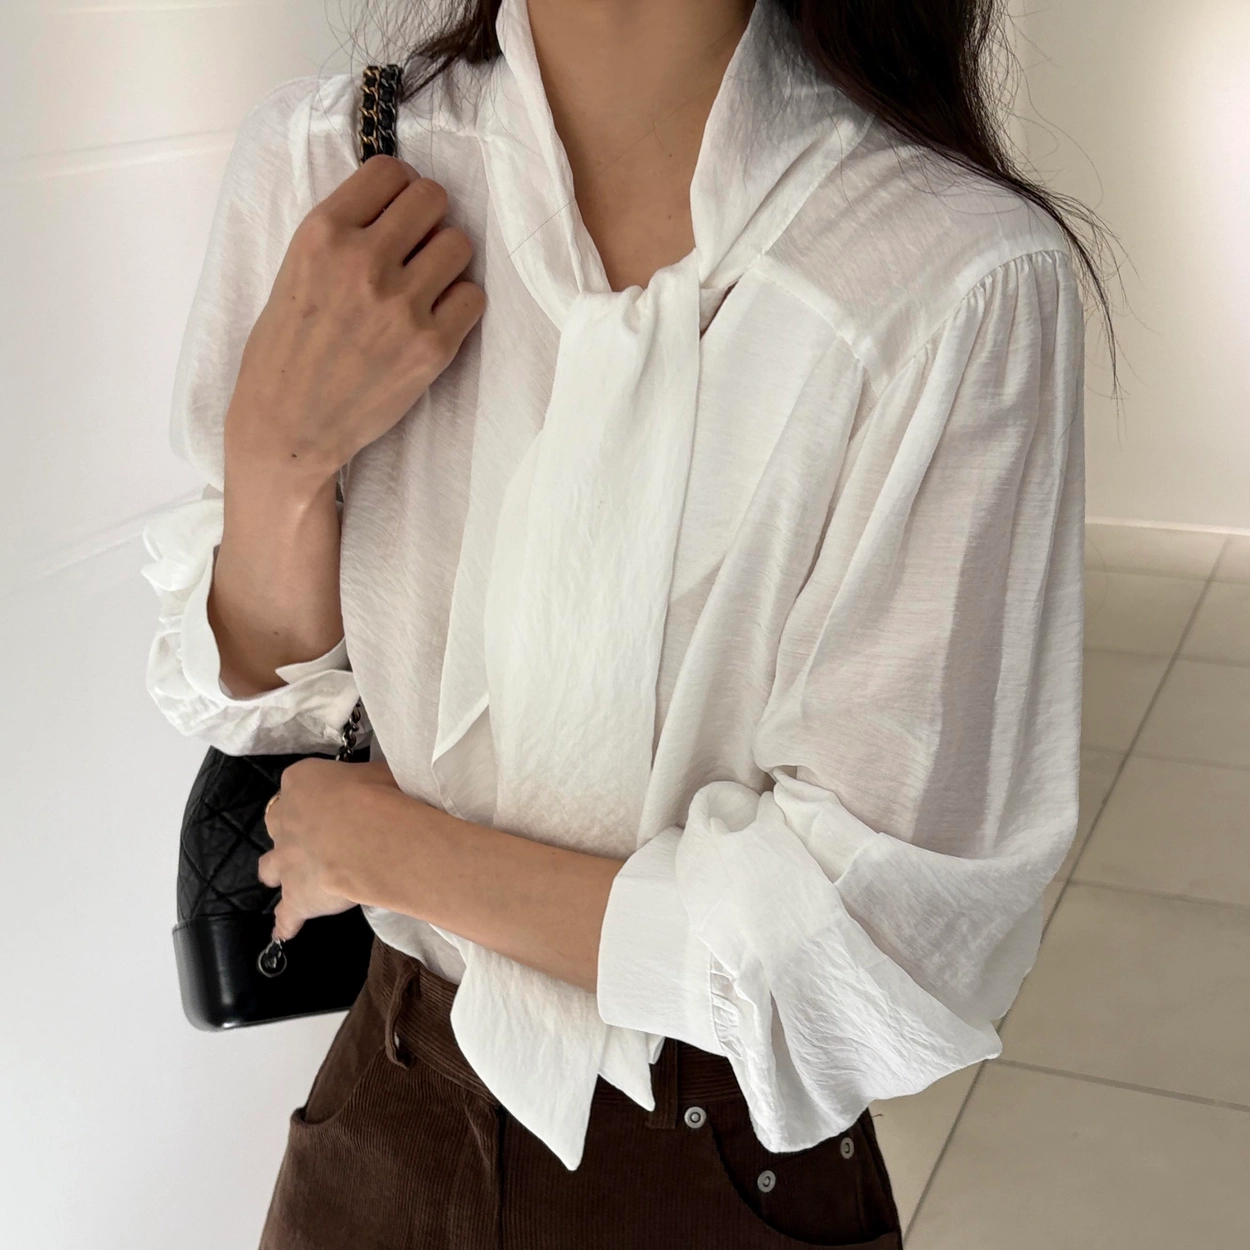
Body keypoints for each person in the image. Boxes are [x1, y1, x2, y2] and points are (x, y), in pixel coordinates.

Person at [142, 0, 1113, 1245]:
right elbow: (260, 706)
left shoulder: (950, 269)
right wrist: (276, 462)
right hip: (385, 1109)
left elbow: (863, 954)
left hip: (715, 1165)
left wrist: (393, 854)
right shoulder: (333, 159)